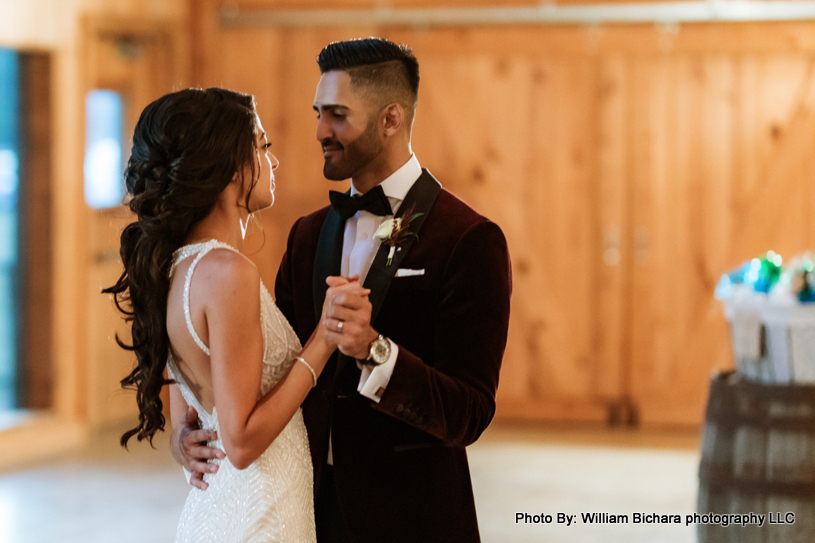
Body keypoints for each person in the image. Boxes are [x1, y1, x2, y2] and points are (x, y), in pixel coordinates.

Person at [174, 38, 513, 542]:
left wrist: (376, 351)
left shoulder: (469, 239)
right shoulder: (308, 234)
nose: (318, 132)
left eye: (336, 115)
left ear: (390, 120)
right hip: (305, 512)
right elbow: (258, 363)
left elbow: (470, 413)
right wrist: (187, 429)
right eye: (317, 113)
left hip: (412, 519)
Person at [104, 88, 366, 542]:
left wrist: (180, 442)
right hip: (261, 510)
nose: (274, 160)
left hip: (221, 505)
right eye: (262, 146)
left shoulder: (175, 267)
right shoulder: (227, 273)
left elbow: (192, 416)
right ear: (229, 166)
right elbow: (241, 443)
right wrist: (324, 339)